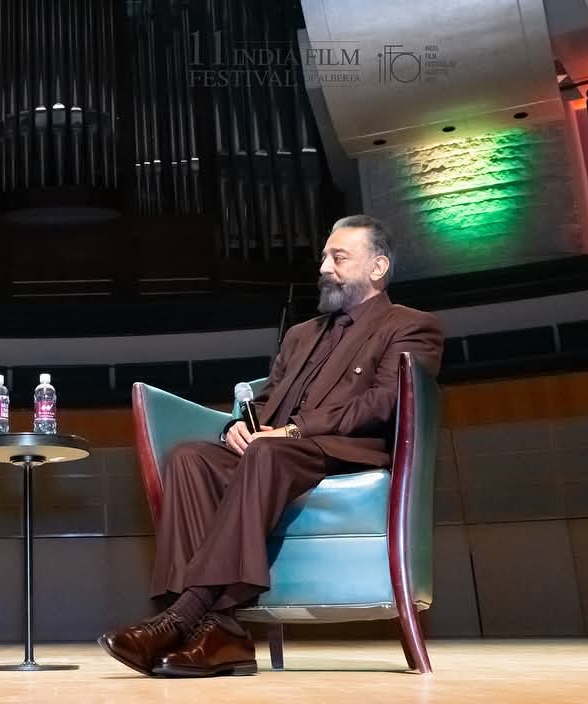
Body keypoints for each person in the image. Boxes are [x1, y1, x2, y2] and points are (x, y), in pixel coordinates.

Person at [99, 214, 443, 678]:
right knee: (188, 456)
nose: (324, 267)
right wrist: (236, 428)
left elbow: (385, 402)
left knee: (267, 452)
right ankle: (221, 633)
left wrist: (294, 431)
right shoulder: (300, 335)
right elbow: (266, 402)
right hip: (278, 452)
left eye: (339, 257)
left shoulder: (412, 325)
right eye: (324, 257)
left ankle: (180, 619)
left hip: (344, 454)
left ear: (377, 267)